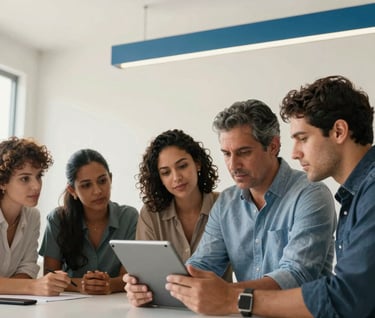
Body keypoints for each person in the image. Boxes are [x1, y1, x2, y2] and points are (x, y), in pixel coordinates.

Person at [166, 75, 375, 317]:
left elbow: (345, 296)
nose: (295, 153)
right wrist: (165, 286)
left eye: (303, 139)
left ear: (338, 131)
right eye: (226, 153)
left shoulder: (352, 193)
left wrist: (231, 298)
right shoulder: (355, 196)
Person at [126, 100, 337, 308]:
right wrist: (149, 289)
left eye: (244, 152)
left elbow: (296, 275)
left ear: (272, 146)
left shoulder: (311, 195)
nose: (233, 165)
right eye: (226, 154)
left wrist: (227, 294)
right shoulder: (226, 203)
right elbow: (202, 265)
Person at [124, 129, 232, 304]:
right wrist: (137, 290)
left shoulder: (225, 205)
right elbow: (145, 274)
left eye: (182, 166)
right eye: (166, 172)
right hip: (166, 308)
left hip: (216, 309)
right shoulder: (151, 214)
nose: (177, 177)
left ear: (197, 163)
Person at [39, 149, 139, 295]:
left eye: (102, 181)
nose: (97, 191)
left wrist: (109, 285)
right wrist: (81, 285)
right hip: (68, 307)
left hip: (115, 304)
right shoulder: (57, 219)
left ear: (110, 179)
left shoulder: (129, 217)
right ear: (72, 190)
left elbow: (128, 277)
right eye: (86, 185)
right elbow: (50, 277)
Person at [0, 136, 71, 295]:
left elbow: (27, 268)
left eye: (39, 176)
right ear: (2, 182)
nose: (36, 186)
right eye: (25, 178)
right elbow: (29, 282)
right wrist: (32, 286)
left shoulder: (32, 216)